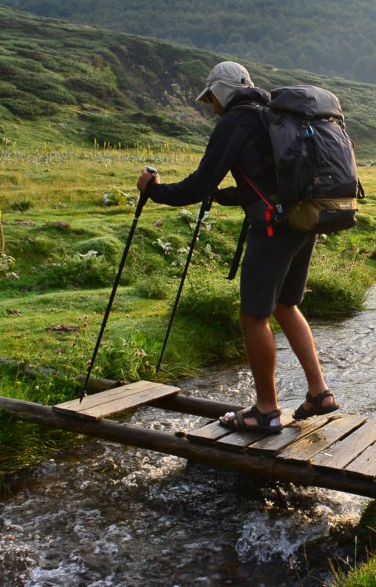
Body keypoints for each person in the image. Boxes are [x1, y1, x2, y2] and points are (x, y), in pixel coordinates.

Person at [136, 61, 339, 434]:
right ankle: (319, 393)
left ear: (221, 91)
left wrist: (154, 190)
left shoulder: (235, 122)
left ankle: (266, 410)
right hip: (302, 219)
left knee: (253, 316)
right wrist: (224, 195)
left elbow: (198, 185)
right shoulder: (271, 116)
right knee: (285, 305)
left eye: (211, 98)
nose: (211, 106)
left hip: (273, 228)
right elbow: (263, 181)